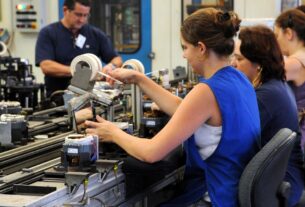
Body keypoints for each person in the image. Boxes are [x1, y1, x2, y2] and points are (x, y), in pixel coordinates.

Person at [85, 8, 260, 206]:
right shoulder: (238, 79)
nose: (184, 55)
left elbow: (151, 152)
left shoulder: (207, 91)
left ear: (201, 48)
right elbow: (185, 109)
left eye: (185, 47)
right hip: (232, 192)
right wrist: (139, 79)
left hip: (214, 198)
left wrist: (113, 133)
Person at [231, 25, 304, 207]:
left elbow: (232, 139)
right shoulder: (276, 85)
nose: (233, 63)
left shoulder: (266, 96)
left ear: (259, 65)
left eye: (239, 58)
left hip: (278, 184)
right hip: (284, 178)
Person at [35, 0, 122, 97]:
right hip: (57, 96)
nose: (82, 20)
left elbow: (117, 59)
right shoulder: (48, 33)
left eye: (85, 15)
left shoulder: (95, 34)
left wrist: (111, 66)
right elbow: (46, 66)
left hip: (89, 96)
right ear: (65, 10)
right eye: (78, 15)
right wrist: (79, 72)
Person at [274, 9, 305, 149]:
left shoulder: (293, 62)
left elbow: (263, 81)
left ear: (288, 33)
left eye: (277, 35)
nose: (276, 41)